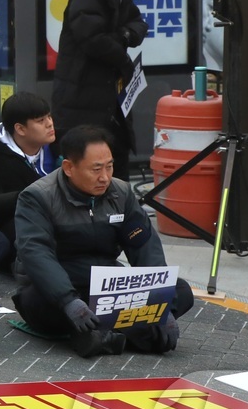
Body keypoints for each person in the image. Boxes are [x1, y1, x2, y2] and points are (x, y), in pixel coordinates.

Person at [13, 125, 192, 357]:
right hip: (58, 289)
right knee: (42, 302)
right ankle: (137, 332)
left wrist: (160, 303)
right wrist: (68, 301)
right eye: (96, 169)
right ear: (68, 167)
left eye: (109, 167)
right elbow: (36, 254)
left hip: (107, 288)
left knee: (181, 290)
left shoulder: (122, 192)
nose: (105, 177)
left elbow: (144, 246)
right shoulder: (37, 197)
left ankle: (100, 335)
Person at [52, 0, 152, 182]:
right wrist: (123, 61)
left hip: (109, 97)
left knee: (115, 159)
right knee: (89, 164)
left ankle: (120, 216)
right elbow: (93, 40)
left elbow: (139, 24)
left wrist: (123, 35)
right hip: (82, 94)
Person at [0, 91, 57, 248]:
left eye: (49, 117)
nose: (50, 124)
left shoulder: (61, 148)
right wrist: (27, 196)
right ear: (20, 129)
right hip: (18, 237)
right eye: (41, 120)